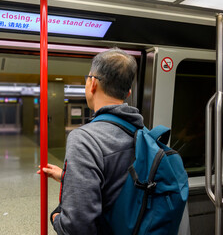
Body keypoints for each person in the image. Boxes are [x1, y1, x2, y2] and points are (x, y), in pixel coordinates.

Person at [38, 48, 144, 234]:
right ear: (128, 92)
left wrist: (56, 218)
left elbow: (77, 227)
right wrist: (67, 177)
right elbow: (119, 183)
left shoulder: (84, 140)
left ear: (92, 83)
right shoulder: (142, 132)